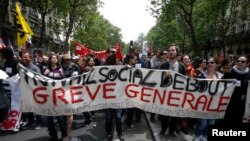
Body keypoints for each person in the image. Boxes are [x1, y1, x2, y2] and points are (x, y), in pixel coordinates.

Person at [159, 44, 186, 138]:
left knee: (175, 115)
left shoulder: (182, 66)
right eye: (169, 50)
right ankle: (163, 129)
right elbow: (158, 81)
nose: (171, 52)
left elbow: (185, 81)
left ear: (176, 52)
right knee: (165, 115)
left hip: (177, 95)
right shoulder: (163, 66)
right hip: (165, 95)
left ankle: (171, 130)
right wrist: (163, 77)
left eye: (173, 50)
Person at [194, 57, 223, 141]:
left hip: (215, 104)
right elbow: (197, 90)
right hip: (203, 104)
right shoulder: (201, 76)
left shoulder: (221, 77)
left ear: (216, 65)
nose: (209, 64)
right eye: (208, 63)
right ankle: (197, 135)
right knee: (203, 123)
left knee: (211, 122)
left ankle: (205, 136)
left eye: (212, 62)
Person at [43, 54, 67, 141]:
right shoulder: (46, 70)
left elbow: (64, 81)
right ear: (50, 60)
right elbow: (41, 81)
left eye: (55, 58)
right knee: (49, 119)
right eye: (52, 58)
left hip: (58, 98)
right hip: (48, 97)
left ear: (57, 59)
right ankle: (53, 135)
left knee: (60, 118)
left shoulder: (60, 69)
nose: (54, 59)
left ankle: (64, 134)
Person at [219, 56, 249, 127]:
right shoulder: (229, 72)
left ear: (247, 63)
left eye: (242, 61)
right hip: (230, 102)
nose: (239, 62)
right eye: (238, 61)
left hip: (243, 103)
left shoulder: (249, 74)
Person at [104, 48, 124, 141]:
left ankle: (120, 133)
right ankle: (108, 132)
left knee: (118, 117)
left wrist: (128, 68)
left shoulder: (120, 65)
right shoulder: (102, 65)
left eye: (115, 53)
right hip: (107, 97)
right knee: (108, 118)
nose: (114, 54)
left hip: (118, 97)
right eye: (112, 52)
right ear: (107, 54)